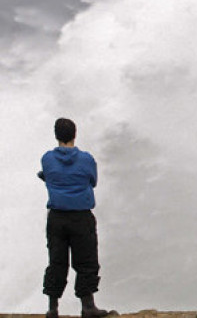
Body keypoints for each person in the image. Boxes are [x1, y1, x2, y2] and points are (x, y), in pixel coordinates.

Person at [38, 118, 112, 318]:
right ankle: (88, 306)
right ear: (75, 134)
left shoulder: (47, 159)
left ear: (56, 136)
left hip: (56, 218)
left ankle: (53, 308)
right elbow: (93, 181)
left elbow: (48, 175)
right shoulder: (86, 159)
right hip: (81, 217)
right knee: (86, 261)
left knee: (56, 261)